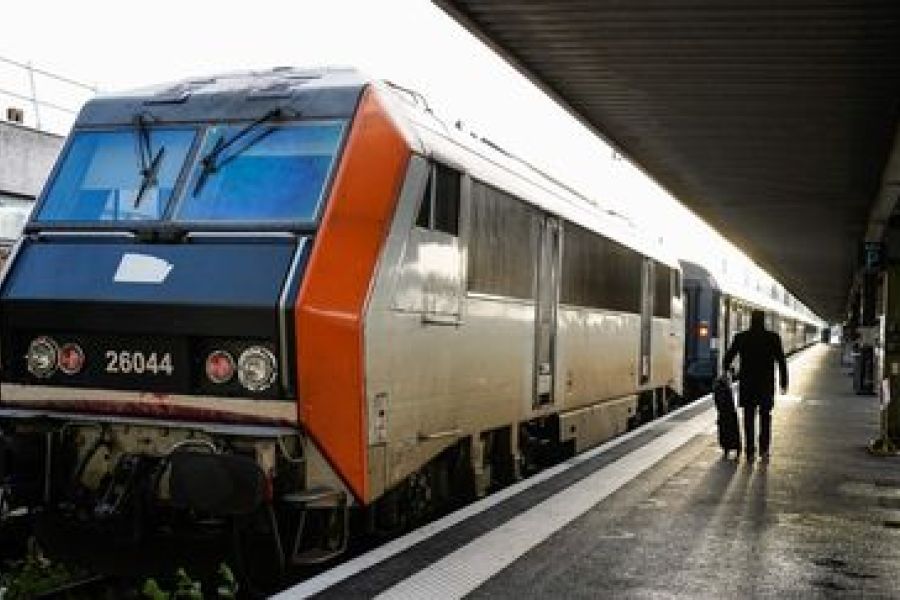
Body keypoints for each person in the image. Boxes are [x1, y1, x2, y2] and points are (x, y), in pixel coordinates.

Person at [722, 310, 788, 461]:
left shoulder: (741, 337)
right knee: (765, 417)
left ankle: (750, 451)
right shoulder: (773, 338)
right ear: (764, 321)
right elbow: (782, 361)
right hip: (766, 385)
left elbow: (728, 358)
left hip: (748, 385)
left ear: (750, 320)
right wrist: (784, 383)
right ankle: (764, 450)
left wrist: (727, 371)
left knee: (748, 418)